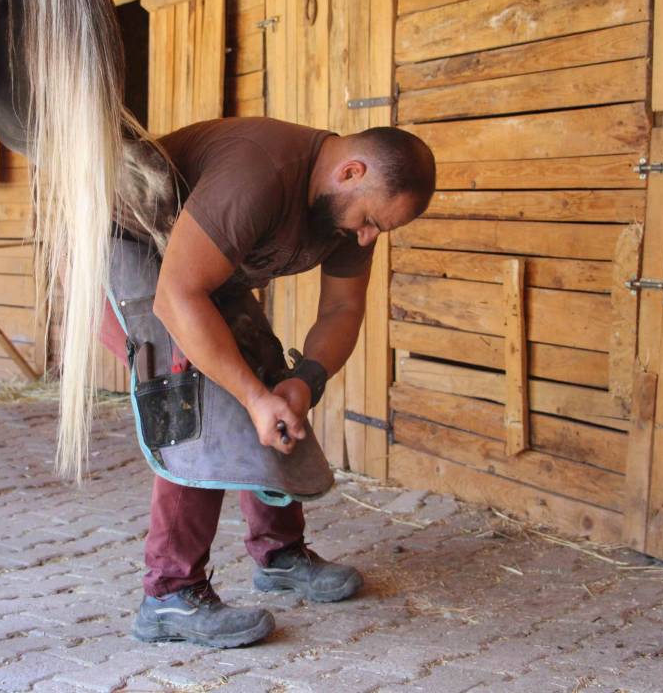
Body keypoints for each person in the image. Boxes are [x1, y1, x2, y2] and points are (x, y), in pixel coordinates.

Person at [110, 117, 435, 648]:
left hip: (197, 267)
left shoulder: (353, 210)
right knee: (196, 404)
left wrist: (306, 381)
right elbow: (176, 297)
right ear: (351, 171)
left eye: (378, 230)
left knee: (267, 377)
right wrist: (250, 396)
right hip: (129, 247)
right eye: (371, 221)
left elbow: (342, 308)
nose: (367, 236)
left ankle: (279, 555)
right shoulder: (260, 173)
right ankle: (169, 593)